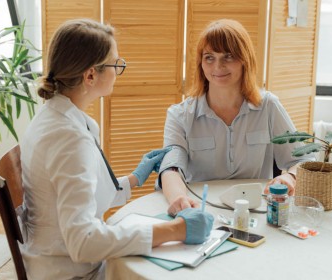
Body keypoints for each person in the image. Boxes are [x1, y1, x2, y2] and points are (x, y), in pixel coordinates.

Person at [18, 19, 213, 279]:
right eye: (116, 64)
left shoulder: (54, 116)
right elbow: (83, 242)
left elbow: (72, 199)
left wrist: (132, 180)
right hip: (70, 272)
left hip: (52, 257)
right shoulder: (69, 138)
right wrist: (176, 231)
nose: (119, 70)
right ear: (90, 75)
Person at [158, 19, 315, 215]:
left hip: (256, 212)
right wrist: (178, 199)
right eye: (209, 57)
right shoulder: (179, 115)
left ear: (245, 60)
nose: (218, 66)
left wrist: (290, 178)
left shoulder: (268, 106)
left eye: (228, 56)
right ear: (200, 63)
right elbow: (170, 169)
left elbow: (304, 160)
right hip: (201, 210)